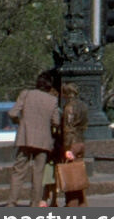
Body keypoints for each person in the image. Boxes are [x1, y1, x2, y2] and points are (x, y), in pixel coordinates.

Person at [8, 71, 60, 207]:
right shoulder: (52, 100)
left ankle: (12, 202)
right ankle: (35, 203)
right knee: (38, 173)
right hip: (43, 140)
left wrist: (19, 122)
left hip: (25, 138)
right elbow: (56, 122)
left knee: (18, 172)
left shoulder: (26, 94)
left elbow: (12, 113)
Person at [54, 83, 88, 207]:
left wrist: (67, 148)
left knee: (71, 175)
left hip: (72, 143)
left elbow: (68, 128)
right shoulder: (83, 105)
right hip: (81, 141)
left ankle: (72, 204)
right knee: (79, 174)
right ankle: (82, 204)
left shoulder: (69, 107)